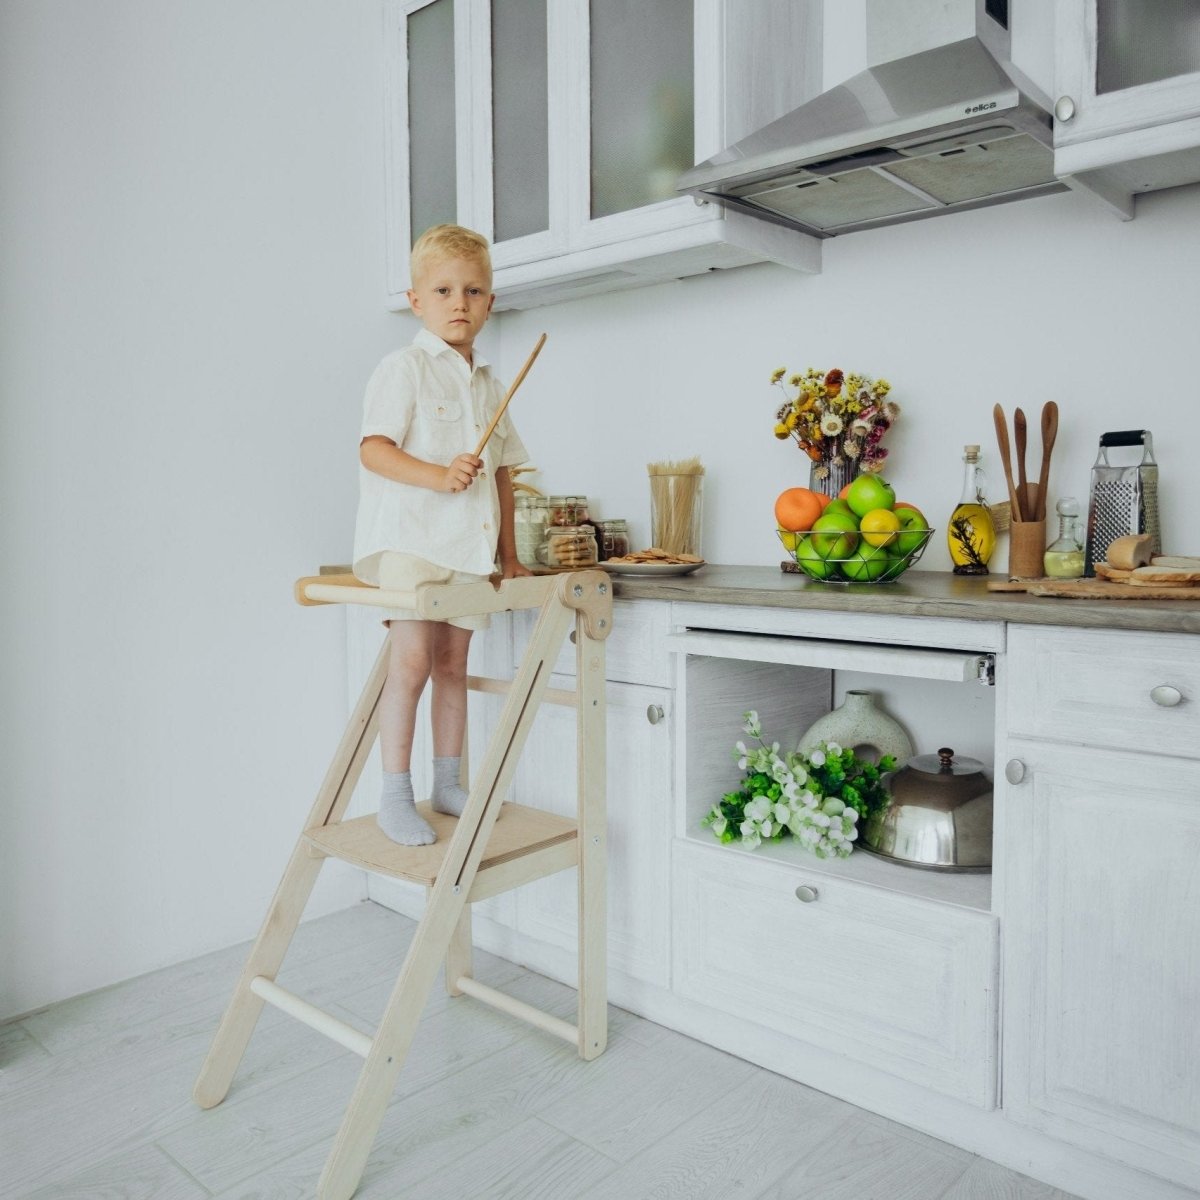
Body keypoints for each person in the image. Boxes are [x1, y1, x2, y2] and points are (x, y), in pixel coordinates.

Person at [352, 225, 531, 846]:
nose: (460, 302)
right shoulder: (401, 369)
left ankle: (447, 783)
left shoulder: (489, 385)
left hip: (466, 551)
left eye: (474, 290)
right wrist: (438, 474)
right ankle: (394, 795)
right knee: (409, 666)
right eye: (444, 289)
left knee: (453, 665)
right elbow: (373, 451)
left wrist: (509, 557)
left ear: (490, 302)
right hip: (411, 544)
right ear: (416, 299)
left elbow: (505, 476)